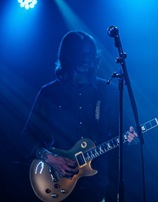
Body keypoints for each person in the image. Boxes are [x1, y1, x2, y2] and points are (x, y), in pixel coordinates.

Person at [21, 30, 138, 202]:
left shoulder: (109, 91)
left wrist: (129, 140)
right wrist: (51, 158)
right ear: (67, 56)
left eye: (89, 54)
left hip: (97, 184)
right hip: (57, 180)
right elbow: (27, 136)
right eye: (79, 55)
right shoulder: (50, 92)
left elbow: (118, 135)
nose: (86, 60)